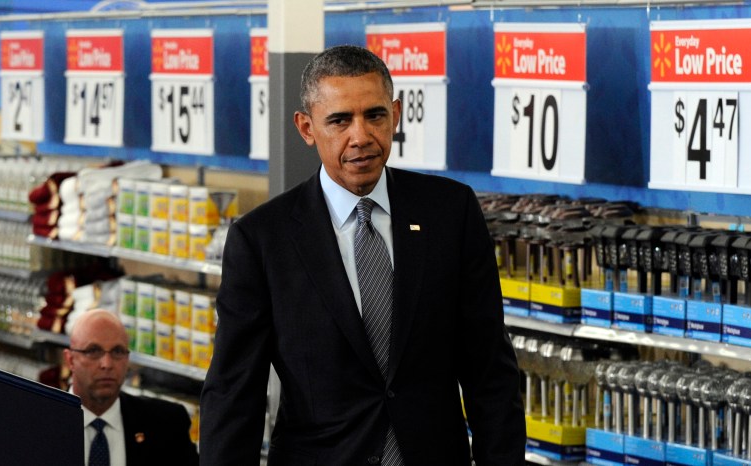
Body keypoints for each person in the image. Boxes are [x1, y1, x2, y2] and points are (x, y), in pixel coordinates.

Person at [200, 44, 525, 465]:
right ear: (306, 127)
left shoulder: (450, 213)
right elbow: (233, 392)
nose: (361, 136)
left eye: (374, 115)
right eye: (339, 120)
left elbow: (490, 371)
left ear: (396, 113)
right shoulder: (262, 240)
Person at [63, 309, 199, 466]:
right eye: (94, 351)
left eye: (117, 351)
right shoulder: (41, 424)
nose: (107, 364)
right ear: (70, 360)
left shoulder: (167, 424)